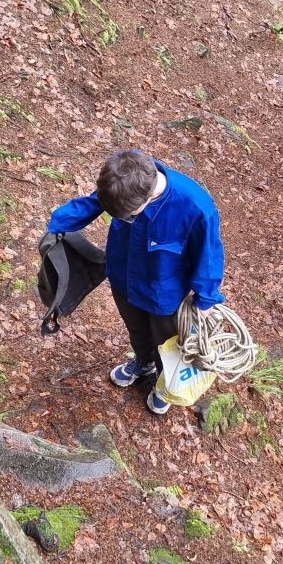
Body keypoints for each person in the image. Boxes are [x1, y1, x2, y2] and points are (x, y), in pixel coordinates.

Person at [45, 150, 225, 416]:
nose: (124, 219)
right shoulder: (122, 185)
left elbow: (209, 255)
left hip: (164, 294)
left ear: (148, 196)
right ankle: (143, 363)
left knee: (168, 343)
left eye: (128, 216)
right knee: (136, 330)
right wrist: (58, 223)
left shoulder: (196, 207)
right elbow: (92, 203)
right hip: (124, 276)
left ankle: (165, 385)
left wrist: (206, 298)